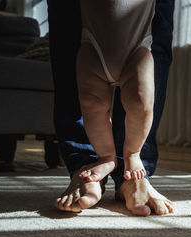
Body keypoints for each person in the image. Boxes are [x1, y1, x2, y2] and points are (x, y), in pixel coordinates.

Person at [47, 0, 175, 216]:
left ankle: (133, 156)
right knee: (89, 103)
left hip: (137, 47)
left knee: (141, 102)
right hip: (92, 44)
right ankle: (104, 158)